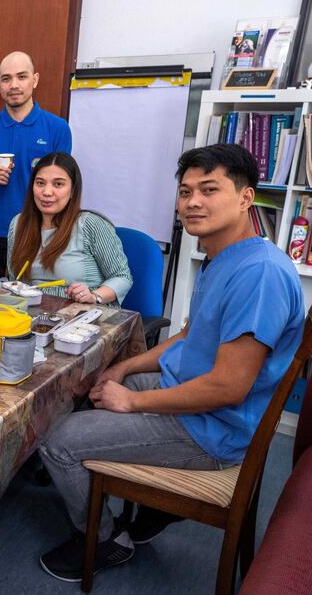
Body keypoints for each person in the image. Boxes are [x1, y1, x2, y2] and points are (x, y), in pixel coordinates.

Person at [38, 143, 304, 583]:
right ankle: (147, 506)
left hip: (211, 428)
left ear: (245, 197)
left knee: (58, 438)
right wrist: (125, 369)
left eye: (209, 189)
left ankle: (105, 541)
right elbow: (187, 336)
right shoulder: (223, 256)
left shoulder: (260, 273)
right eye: (185, 191)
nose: (193, 202)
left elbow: (228, 387)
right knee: (85, 394)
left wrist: (133, 402)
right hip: (187, 396)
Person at [0, 50, 72, 280]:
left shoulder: (58, 128)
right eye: (6, 78)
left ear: (35, 80)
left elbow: (63, 184)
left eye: (21, 77)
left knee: (30, 305)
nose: (14, 85)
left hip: (36, 233)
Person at [7, 152, 132, 306]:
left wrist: (94, 296)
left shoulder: (90, 224)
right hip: (33, 313)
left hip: (83, 317)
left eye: (58, 184)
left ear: (72, 190)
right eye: (40, 183)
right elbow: (14, 280)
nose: (47, 192)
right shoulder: (18, 223)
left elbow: (122, 277)